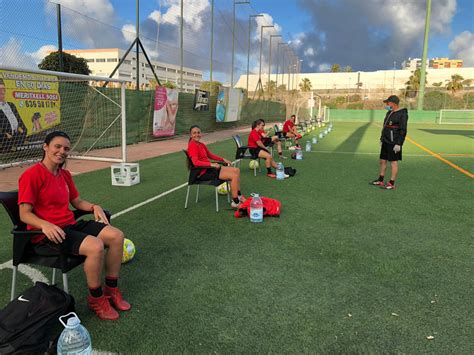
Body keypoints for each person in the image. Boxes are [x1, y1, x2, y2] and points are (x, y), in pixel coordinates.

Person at [18, 131, 130, 321]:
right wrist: (44, 224)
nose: (62, 151)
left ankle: (111, 289)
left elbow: (76, 201)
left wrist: (94, 206)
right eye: (57, 146)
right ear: (45, 147)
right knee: (95, 246)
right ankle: (96, 299)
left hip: (69, 225)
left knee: (117, 236)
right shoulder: (31, 175)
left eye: (66, 149)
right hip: (49, 235)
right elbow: (24, 213)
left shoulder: (65, 174)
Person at [187, 125, 245, 208]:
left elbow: (210, 155)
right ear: (190, 135)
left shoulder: (201, 144)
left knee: (236, 170)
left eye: (198, 132)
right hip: (203, 172)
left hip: (209, 169)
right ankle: (235, 202)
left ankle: (239, 196)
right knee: (233, 176)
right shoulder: (192, 145)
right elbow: (195, 162)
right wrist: (211, 164)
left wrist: (223, 159)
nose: (197, 135)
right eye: (194, 133)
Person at [371, 95, 408, 189]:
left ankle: (391, 183)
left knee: (393, 162)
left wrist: (399, 144)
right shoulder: (389, 113)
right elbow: (385, 127)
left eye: (388, 103)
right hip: (385, 141)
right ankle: (380, 180)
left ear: (393, 103)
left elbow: (403, 130)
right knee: (382, 160)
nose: (386, 104)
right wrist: (381, 139)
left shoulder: (402, 114)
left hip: (394, 142)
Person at [0, 78, 28, 152]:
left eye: (3, 90)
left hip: (17, 135)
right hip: (6, 138)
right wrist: (5, 134)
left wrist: (21, 128)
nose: (2, 92)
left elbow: (18, 118)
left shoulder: (11, 104)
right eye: (0, 90)